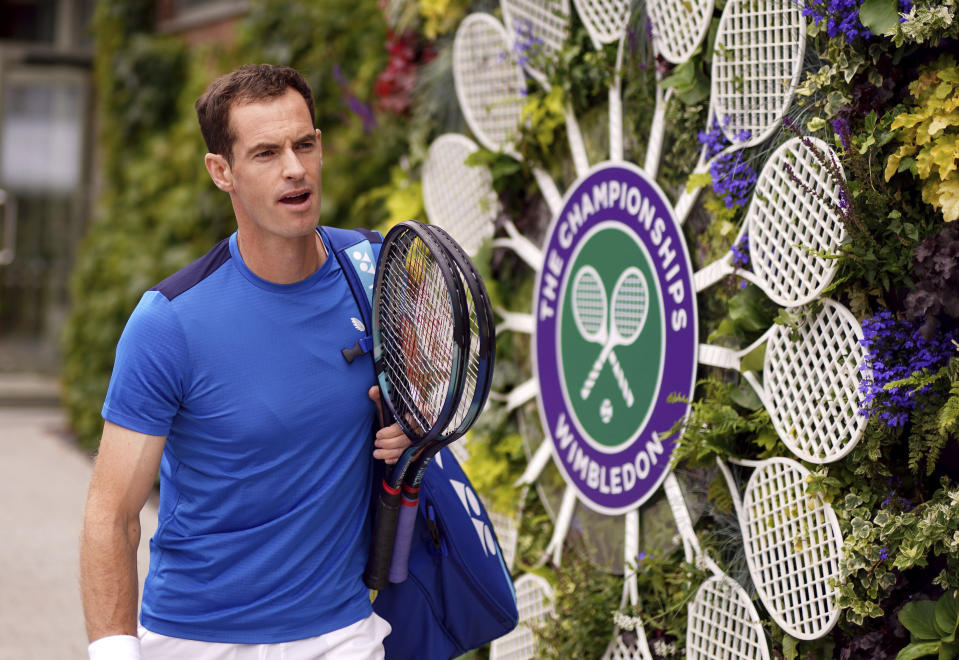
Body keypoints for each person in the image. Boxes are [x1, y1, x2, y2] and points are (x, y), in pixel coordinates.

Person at [80, 64, 412, 660]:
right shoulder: (169, 322)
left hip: (342, 632)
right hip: (196, 639)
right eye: (265, 153)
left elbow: (426, 398)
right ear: (222, 171)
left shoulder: (374, 269)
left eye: (304, 144)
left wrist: (408, 425)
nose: (294, 169)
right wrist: (114, 651)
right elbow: (113, 513)